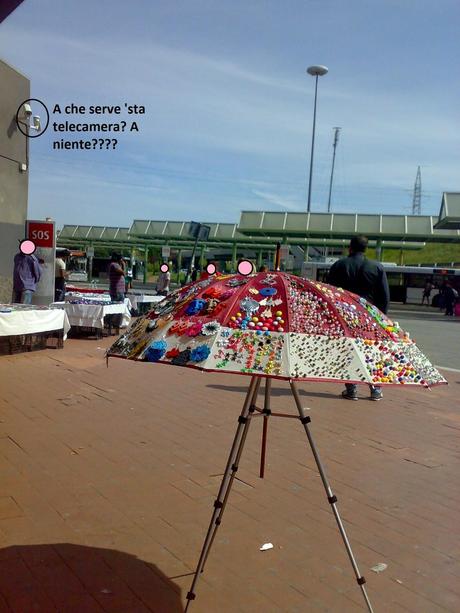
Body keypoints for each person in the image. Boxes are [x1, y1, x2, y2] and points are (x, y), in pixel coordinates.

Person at [327, 235, 390, 401]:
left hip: (345, 315)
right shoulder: (376, 267)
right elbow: (384, 296)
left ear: (350, 248)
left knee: (349, 351)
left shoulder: (339, 265)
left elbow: (328, 293)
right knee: (371, 352)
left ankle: (352, 388)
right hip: (369, 317)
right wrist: (381, 317)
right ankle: (375, 389)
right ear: (366, 248)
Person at [107, 253, 125, 333]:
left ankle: (115, 327)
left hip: (119, 290)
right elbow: (122, 272)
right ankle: (112, 326)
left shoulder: (114, 265)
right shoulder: (114, 265)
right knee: (116, 310)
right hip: (117, 291)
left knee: (118, 310)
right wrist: (123, 264)